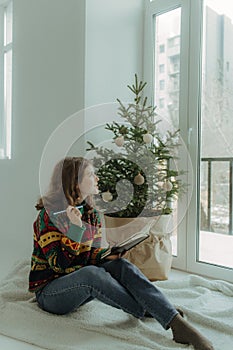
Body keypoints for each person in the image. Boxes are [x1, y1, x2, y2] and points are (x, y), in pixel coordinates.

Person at [29, 157, 214, 350]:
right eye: (91, 174)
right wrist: (75, 230)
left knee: (120, 266)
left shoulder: (90, 213)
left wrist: (107, 256)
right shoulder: (48, 217)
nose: (97, 178)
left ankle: (176, 323)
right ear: (75, 182)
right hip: (51, 293)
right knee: (92, 274)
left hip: (80, 285)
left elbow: (90, 256)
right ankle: (153, 310)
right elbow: (60, 266)